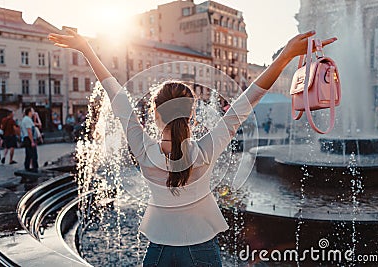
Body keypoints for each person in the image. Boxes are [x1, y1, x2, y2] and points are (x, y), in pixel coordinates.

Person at [49, 29, 336, 266]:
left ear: (153, 114)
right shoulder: (207, 150)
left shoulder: (143, 149)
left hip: (158, 249)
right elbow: (247, 101)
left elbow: (117, 95)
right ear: (193, 116)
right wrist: (285, 56)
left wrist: (87, 49)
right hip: (202, 249)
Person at [21, 107, 38, 172]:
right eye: (33, 111)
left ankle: (27, 168)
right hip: (28, 139)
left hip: (27, 138)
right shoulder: (27, 120)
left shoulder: (27, 119)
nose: (34, 112)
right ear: (29, 112)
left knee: (28, 155)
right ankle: (34, 169)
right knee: (33, 155)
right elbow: (29, 131)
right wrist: (32, 141)